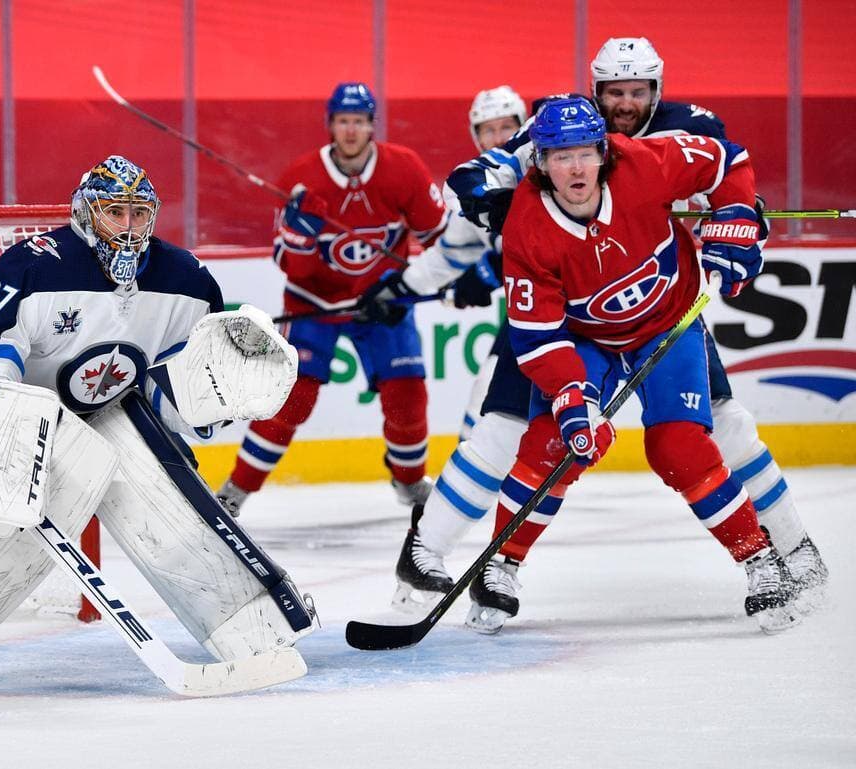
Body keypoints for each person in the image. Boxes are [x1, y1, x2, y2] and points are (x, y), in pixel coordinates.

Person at [0, 156, 316, 693]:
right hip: (19, 430)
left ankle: (256, 624)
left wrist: (214, 391)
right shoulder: (31, 268)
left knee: (159, 483)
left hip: (112, 418)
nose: (129, 227)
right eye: (116, 212)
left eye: (140, 214)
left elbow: (169, 400)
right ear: (87, 213)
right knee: (24, 509)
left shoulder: (186, 281)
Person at [402, 37, 826, 612]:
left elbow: (731, 173)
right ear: (594, 93)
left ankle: (788, 549)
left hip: (663, 310)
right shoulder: (559, 138)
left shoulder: (671, 141)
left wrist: (739, 217)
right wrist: (486, 195)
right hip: (571, 317)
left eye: (637, 91)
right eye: (614, 91)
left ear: (655, 91)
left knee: (712, 431)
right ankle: (443, 553)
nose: (625, 102)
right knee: (517, 431)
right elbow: (481, 178)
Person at [467, 96, 797, 634]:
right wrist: (571, 396)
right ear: (540, 163)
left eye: (584, 153)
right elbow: (536, 334)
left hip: (669, 323)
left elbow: (727, 160)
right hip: (586, 338)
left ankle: (761, 559)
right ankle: (501, 565)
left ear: (603, 152)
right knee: (554, 442)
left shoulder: (646, 162)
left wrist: (737, 215)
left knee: (678, 448)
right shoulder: (527, 226)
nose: (575, 168)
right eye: (560, 157)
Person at [216, 82, 455, 516]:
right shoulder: (301, 179)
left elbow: (439, 237)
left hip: (383, 303)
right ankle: (236, 490)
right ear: (330, 125)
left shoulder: (403, 168)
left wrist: (452, 277)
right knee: (293, 399)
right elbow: (291, 266)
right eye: (343, 121)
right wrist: (302, 238)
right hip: (314, 303)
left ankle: (409, 481)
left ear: (372, 125)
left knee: (407, 395)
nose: (351, 130)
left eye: (359, 121)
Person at [357, 85, 526, 606]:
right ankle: (443, 554)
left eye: (507, 127)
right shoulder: (480, 190)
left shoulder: (555, 167)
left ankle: (491, 562)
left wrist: (488, 273)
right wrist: (399, 290)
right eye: (487, 131)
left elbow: (550, 241)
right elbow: (453, 255)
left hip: (599, 322)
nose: (498, 138)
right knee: (486, 435)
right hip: (535, 327)